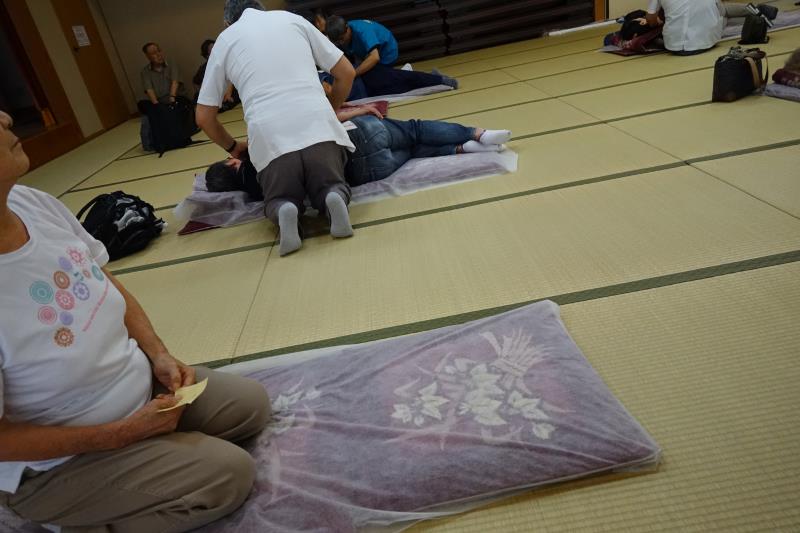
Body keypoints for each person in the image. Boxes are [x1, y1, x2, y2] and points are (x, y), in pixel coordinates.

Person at [0, 110, 271, 532]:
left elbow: (102, 279)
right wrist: (117, 435)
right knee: (228, 476)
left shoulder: (30, 202)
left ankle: (157, 452)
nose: (4, 116)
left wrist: (158, 354)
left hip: (138, 387)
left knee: (249, 406)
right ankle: (82, 519)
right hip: (61, 462)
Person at [196, 1, 358, 257]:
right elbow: (346, 72)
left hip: (270, 139)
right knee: (330, 183)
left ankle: (284, 208)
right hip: (318, 127)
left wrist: (233, 147)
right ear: (261, 8)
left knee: (278, 197)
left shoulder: (226, 40)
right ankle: (332, 196)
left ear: (228, 22)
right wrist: (330, 109)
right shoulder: (291, 19)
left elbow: (204, 117)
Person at [205, 105, 511, 195]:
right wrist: (360, 110)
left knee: (415, 149)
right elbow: (324, 119)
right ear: (232, 164)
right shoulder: (263, 145)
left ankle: (462, 148)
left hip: (367, 172)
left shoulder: (263, 192)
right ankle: (479, 133)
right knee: (414, 129)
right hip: (358, 138)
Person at [325, 15, 459, 97]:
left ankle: (438, 79)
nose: (341, 43)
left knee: (391, 80)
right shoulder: (340, 36)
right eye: (338, 41)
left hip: (384, 54)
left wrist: (353, 73)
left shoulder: (363, 31)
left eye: (343, 38)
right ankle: (409, 74)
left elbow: (374, 58)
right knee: (384, 84)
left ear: (347, 28)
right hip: (363, 56)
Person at [644, 1, 778, 55]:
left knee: (721, 13)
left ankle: (757, 15)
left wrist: (657, 21)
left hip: (673, 45)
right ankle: (757, 13)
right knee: (723, 13)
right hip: (705, 40)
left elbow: (650, 20)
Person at [138, 42, 189, 115]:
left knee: (174, 111)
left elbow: (175, 82)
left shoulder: (171, 63)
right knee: (144, 106)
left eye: (159, 51)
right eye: (154, 53)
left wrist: (172, 99)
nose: (158, 55)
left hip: (176, 98)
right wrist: (157, 105)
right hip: (161, 102)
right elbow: (149, 90)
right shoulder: (145, 72)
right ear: (148, 57)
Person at [193, 39, 239, 111]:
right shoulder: (204, 68)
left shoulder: (227, 62)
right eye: (212, 48)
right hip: (214, 96)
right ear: (207, 55)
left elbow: (231, 78)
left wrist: (228, 93)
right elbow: (196, 82)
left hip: (229, 94)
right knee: (197, 98)